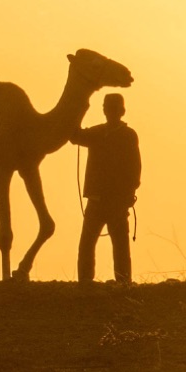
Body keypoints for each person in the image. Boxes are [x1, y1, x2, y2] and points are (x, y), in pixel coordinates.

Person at [68, 92, 142, 284]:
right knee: (87, 244)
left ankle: (123, 282)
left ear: (121, 111)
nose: (108, 111)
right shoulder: (97, 133)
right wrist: (79, 110)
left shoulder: (127, 136)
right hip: (97, 199)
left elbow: (135, 168)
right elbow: (74, 136)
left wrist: (129, 193)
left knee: (119, 245)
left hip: (116, 201)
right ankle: (86, 282)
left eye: (111, 108)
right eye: (107, 107)